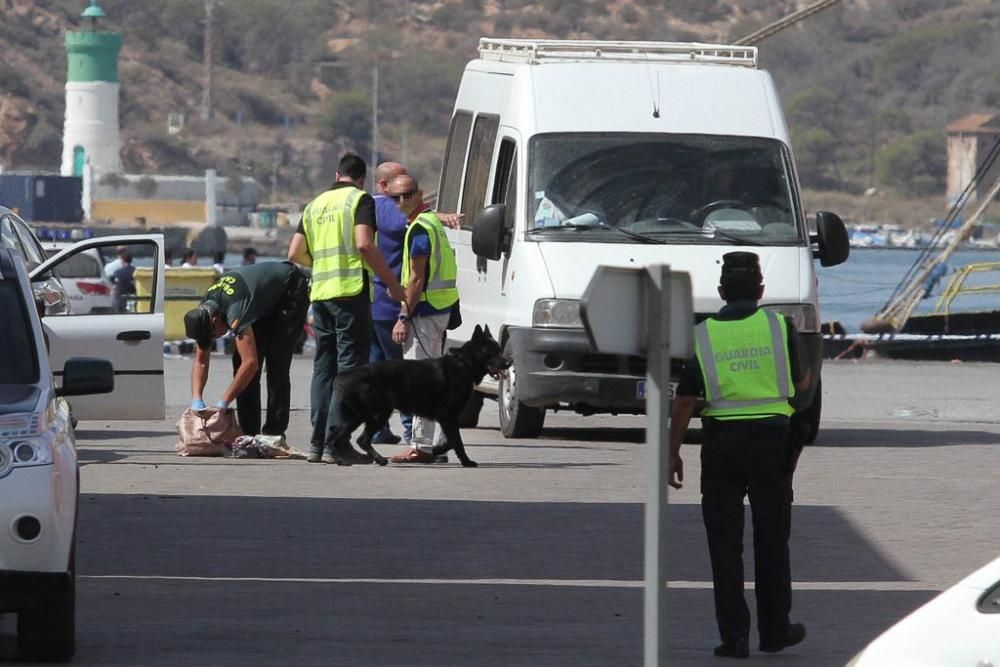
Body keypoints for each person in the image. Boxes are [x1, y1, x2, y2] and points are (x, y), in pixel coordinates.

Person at [668, 251, 811, 659]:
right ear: (761, 292)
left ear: (721, 292)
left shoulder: (703, 334)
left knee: (724, 544)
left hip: (721, 447)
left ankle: (734, 638)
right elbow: (802, 383)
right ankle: (774, 631)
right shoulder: (780, 326)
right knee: (772, 539)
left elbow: (684, 402)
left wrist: (672, 453)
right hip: (773, 443)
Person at [287, 153, 406, 464]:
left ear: (336, 173)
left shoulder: (315, 204)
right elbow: (365, 244)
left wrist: (323, 265)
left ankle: (317, 444)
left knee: (323, 369)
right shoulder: (359, 200)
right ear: (362, 179)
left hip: (322, 294)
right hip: (350, 292)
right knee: (349, 372)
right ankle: (336, 442)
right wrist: (392, 284)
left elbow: (295, 252)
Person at [183, 261, 310, 440]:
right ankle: (249, 432)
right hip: (258, 301)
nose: (216, 338)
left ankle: (274, 433)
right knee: (239, 365)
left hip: (290, 291)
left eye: (214, 334)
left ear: (215, 320)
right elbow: (201, 360)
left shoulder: (234, 310)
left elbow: (250, 363)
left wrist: (223, 403)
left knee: (276, 364)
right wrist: (196, 399)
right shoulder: (204, 310)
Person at [386, 174, 460, 464]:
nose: (401, 201)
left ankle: (422, 446)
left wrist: (403, 316)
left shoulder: (419, 229)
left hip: (424, 313)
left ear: (419, 195)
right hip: (437, 310)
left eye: (406, 195)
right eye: (395, 197)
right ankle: (437, 441)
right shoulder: (430, 222)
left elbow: (416, 279)